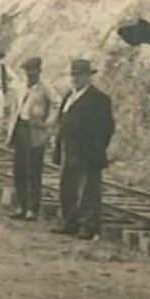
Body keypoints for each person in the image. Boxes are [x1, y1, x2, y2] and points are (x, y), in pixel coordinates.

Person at [51, 58, 114, 239]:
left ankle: (88, 226)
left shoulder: (99, 99)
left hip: (87, 151)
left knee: (88, 190)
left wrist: (96, 148)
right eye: (73, 75)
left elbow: (107, 127)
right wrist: (58, 147)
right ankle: (70, 222)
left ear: (88, 76)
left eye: (79, 75)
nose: (75, 79)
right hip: (68, 148)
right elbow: (62, 124)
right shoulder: (68, 96)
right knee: (67, 187)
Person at [6, 57, 55, 220]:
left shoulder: (45, 88)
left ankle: (32, 208)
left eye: (33, 72)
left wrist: (47, 123)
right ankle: (21, 205)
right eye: (27, 72)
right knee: (19, 169)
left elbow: (57, 103)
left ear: (39, 72)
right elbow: (15, 105)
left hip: (35, 130)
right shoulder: (21, 87)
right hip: (20, 128)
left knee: (33, 170)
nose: (30, 75)